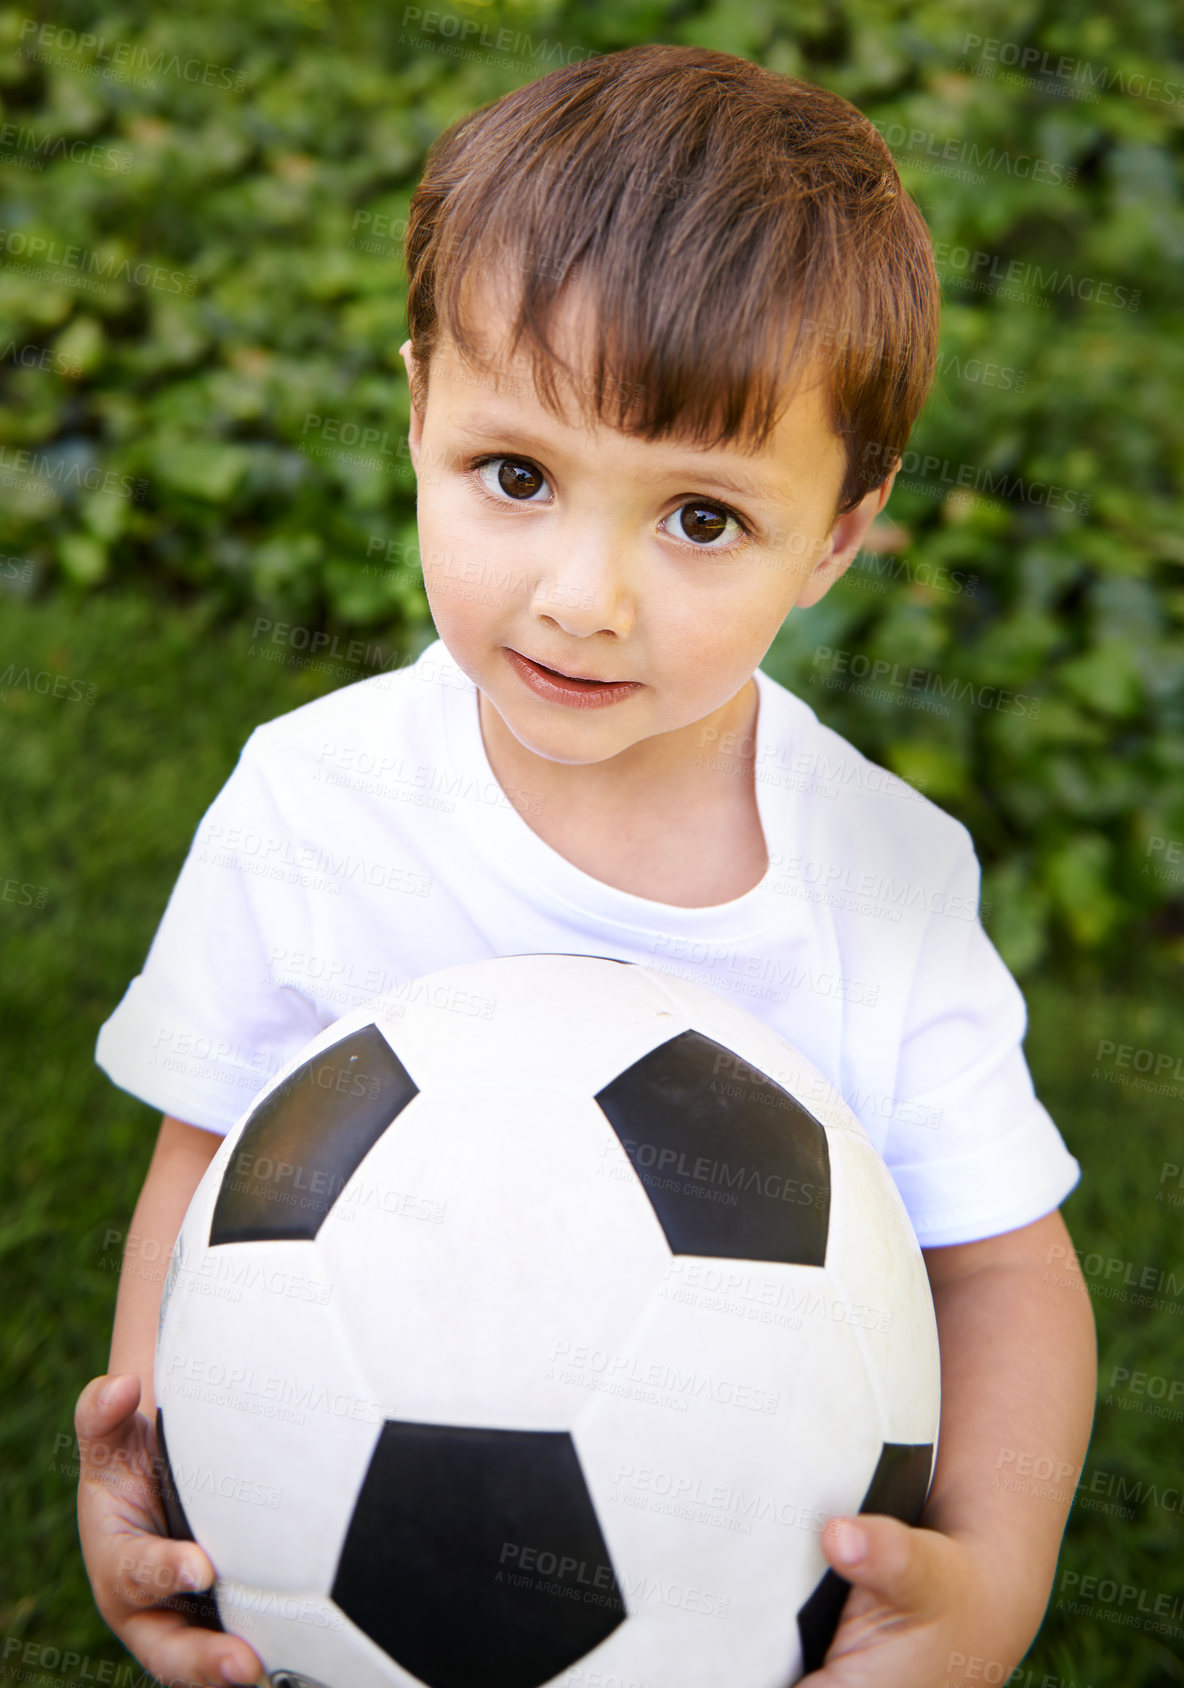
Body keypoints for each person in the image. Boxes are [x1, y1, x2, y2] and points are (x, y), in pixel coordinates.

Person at [75, 42, 1096, 1688]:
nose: (581, 597)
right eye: (518, 476)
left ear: (840, 532)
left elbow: (1005, 1270)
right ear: (417, 413)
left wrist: (996, 1577)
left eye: (700, 518)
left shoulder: (886, 880)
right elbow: (209, 1177)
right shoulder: (313, 801)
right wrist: (160, 1483)